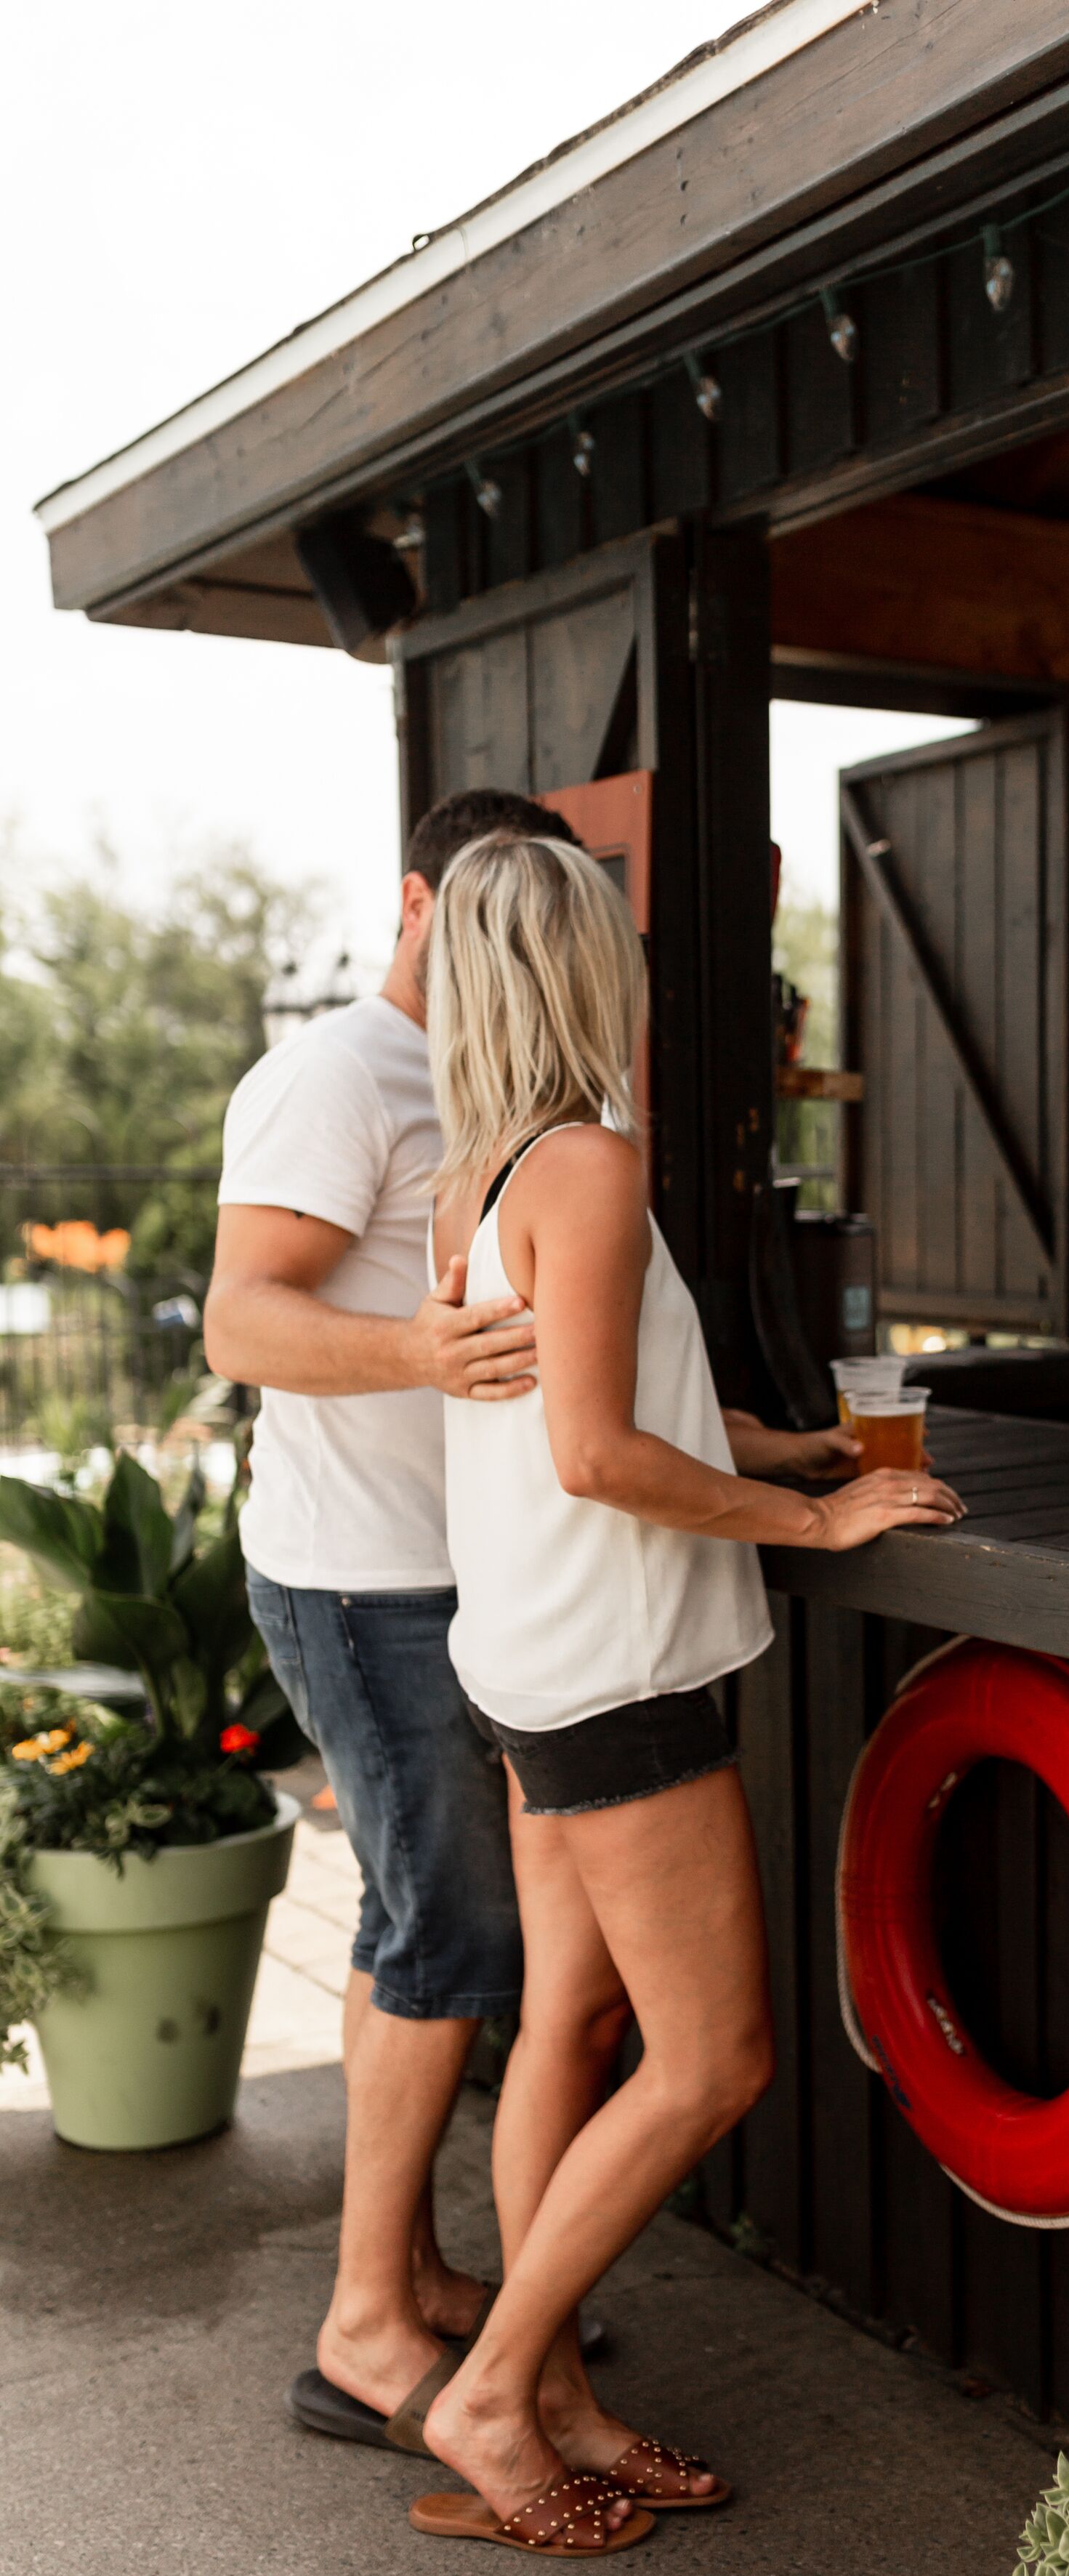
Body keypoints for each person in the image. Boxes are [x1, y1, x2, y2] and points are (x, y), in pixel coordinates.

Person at [408, 832, 963, 2556]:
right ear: (589, 973)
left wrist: (780, 1441)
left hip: (527, 1664)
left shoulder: (480, 1173)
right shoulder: (591, 1165)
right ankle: (494, 2389)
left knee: (571, 2035)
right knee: (714, 2060)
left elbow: (599, 1402)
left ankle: (557, 2389)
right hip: (614, 1675)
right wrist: (817, 1512)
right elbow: (592, 1453)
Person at [204, 788, 581, 2458]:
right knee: (447, 1939)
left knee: (405, 1923)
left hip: (447, 1576)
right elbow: (243, 1322)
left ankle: (411, 2270)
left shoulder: (491, 1087)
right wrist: (427, 1360)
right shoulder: (336, 1075)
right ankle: (363, 2328)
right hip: (363, 1581)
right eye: (484, 904)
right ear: (421, 898)